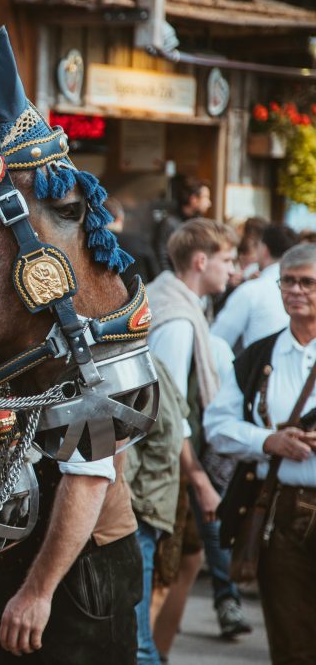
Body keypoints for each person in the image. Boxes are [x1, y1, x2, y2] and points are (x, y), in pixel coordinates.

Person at [204, 242, 316, 664]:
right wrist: (267, 441)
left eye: (307, 282)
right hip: (282, 514)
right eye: (287, 281)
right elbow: (217, 426)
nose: (295, 290)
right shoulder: (260, 355)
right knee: (291, 642)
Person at [146, 218, 251, 648]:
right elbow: (167, 415)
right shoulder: (176, 321)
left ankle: (157, 652)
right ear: (201, 260)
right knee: (164, 571)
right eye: (227, 260)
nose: (234, 271)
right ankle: (149, 652)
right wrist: (199, 477)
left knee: (185, 560)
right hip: (169, 471)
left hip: (178, 467)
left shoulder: (176, 304)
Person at [0, 442, 141, 663]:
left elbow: (89, 479)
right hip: (29, 564)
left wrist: (37, 592)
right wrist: (5, 558)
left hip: (83, 571)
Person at [123, 359, 188, 664]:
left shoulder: (141, 363)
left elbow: (169, 438)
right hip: (117, 508)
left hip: (136, 513)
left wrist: (136, 497)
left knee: (137, 639)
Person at [212, 224, 299, 351]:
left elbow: (216, 341)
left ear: (264, 249)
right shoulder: (305, 293)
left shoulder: (252, 291)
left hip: (257, 366)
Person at [154, 177, 212, 272]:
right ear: (193, 199)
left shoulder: (198, 223)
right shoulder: (169, 223)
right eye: (206, 197)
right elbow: (162, 259)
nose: (209, 203)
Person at [106, 198, 160, 284]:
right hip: (137, 296)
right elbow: (156, 277)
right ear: (120, 218)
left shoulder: (87, 246)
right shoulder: (140, 241)